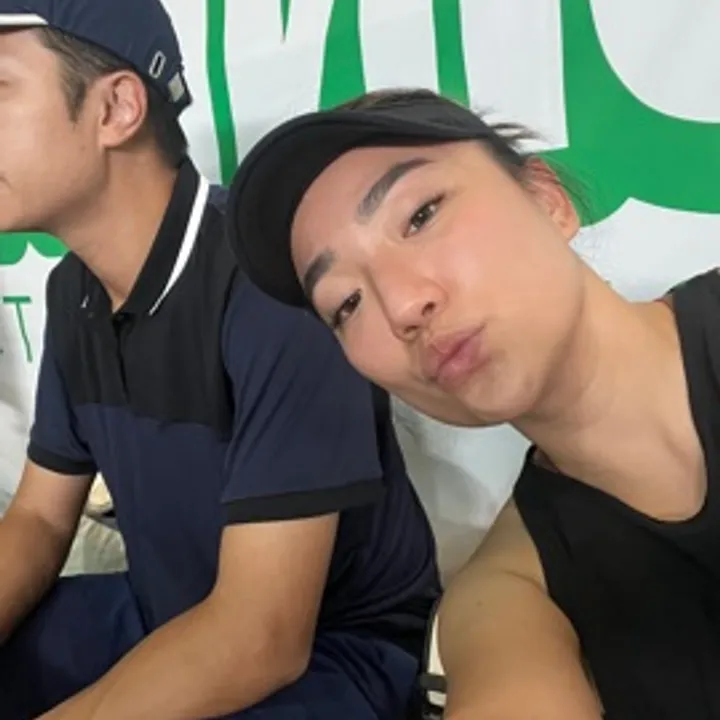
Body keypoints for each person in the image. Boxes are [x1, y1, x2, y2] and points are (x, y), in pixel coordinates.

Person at [0, 3, 441, 716]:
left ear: (115, 108)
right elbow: (40, 520)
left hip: (333, 654)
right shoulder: (73, 291)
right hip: (168, 609)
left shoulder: (270, 287)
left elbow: (260, 636)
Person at [225, 85, 720, 720]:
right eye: (345, 304)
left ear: (547, 200)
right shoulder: (509, 593)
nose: (403, 306)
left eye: (420, 215)